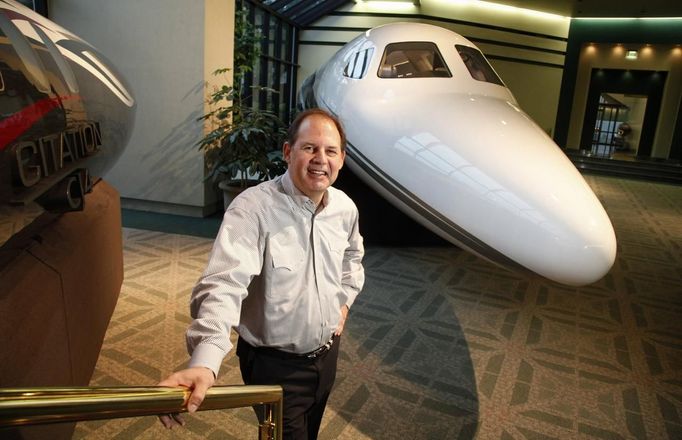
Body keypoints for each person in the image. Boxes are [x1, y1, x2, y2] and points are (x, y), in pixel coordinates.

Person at [159, 108, 365, 439]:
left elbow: (353, 256)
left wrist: (344, 302)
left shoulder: (344, 208)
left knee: (310, 429)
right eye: (309, 148)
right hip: (274, 365)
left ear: (342, 158)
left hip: (327, 354)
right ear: (288, 152)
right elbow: (224, 284)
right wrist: (205, 359)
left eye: (330, 151)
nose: (320, 159)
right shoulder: (253, 209)